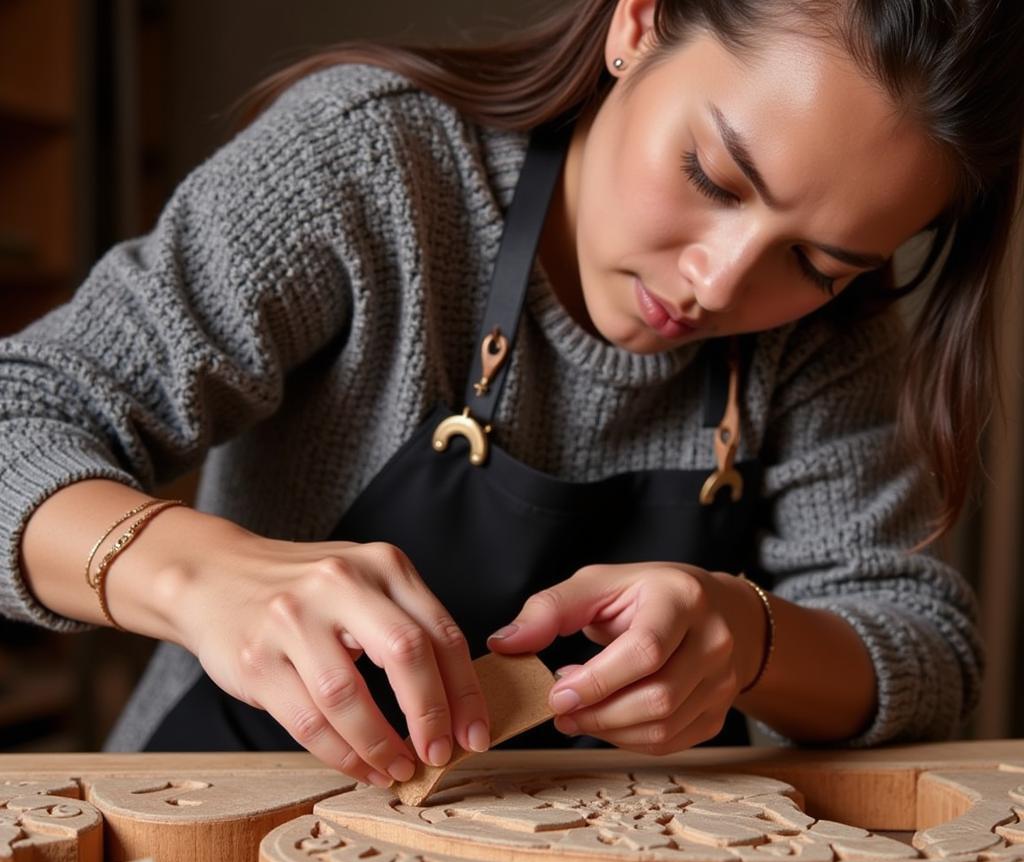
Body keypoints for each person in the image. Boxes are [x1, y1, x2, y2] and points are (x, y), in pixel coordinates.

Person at [1, 0, 1021, 788]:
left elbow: (922, 647)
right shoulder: (376, 165)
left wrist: (747, 640)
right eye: (713, 176)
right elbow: (22, 416)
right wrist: (194, 574)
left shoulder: (827, 334)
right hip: (225, 823)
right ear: (637, 21)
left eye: (817, 259)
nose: (719, 282)